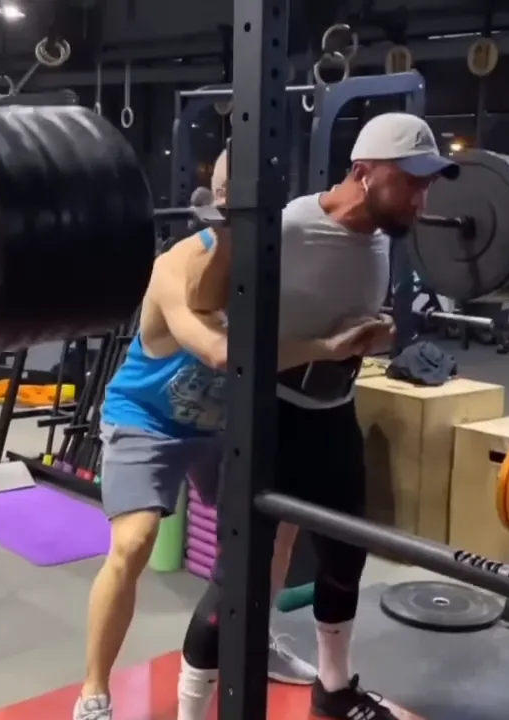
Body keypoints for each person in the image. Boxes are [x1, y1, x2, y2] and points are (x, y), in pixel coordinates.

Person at [73, 152, 389, 720]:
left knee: (274, 526)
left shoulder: (271, 267)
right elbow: (223, 353)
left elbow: (278, 345)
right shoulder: (175, 267)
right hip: (148, 420)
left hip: (222, 426)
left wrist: (347, 340)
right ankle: (94, 692)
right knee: (134, 542)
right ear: (217, 213)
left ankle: (251, 637)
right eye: (232, 221)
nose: (243, 232)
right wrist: (321, 347)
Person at [175, 112, 460, 720]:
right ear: (364, 172)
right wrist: (231, 233)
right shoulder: (290, 227)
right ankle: (191, 711)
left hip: (334, 415)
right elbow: (204, 305)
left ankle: (333, 688)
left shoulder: (383, 237)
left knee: (345, 558)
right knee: (239, 579)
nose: (422, 198)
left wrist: (371, 337)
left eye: (428, 184)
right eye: (410, 182)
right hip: (269, 421)